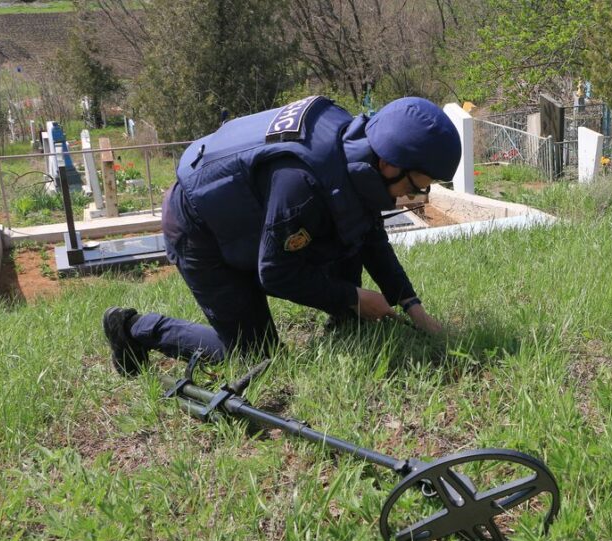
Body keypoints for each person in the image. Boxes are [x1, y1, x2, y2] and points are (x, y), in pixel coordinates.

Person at [102, 96, 460, 376]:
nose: (413, 197)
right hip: (200, 228)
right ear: (389, 164)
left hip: (256, 216)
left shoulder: (355, 154)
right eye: (416, 187)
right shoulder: (302, 183)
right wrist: (353, 296)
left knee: (347, 240)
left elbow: (369, 233)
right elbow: (275, 273)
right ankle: (134, 329)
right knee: (253, 356)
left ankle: (345, 323)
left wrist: (411, 305)